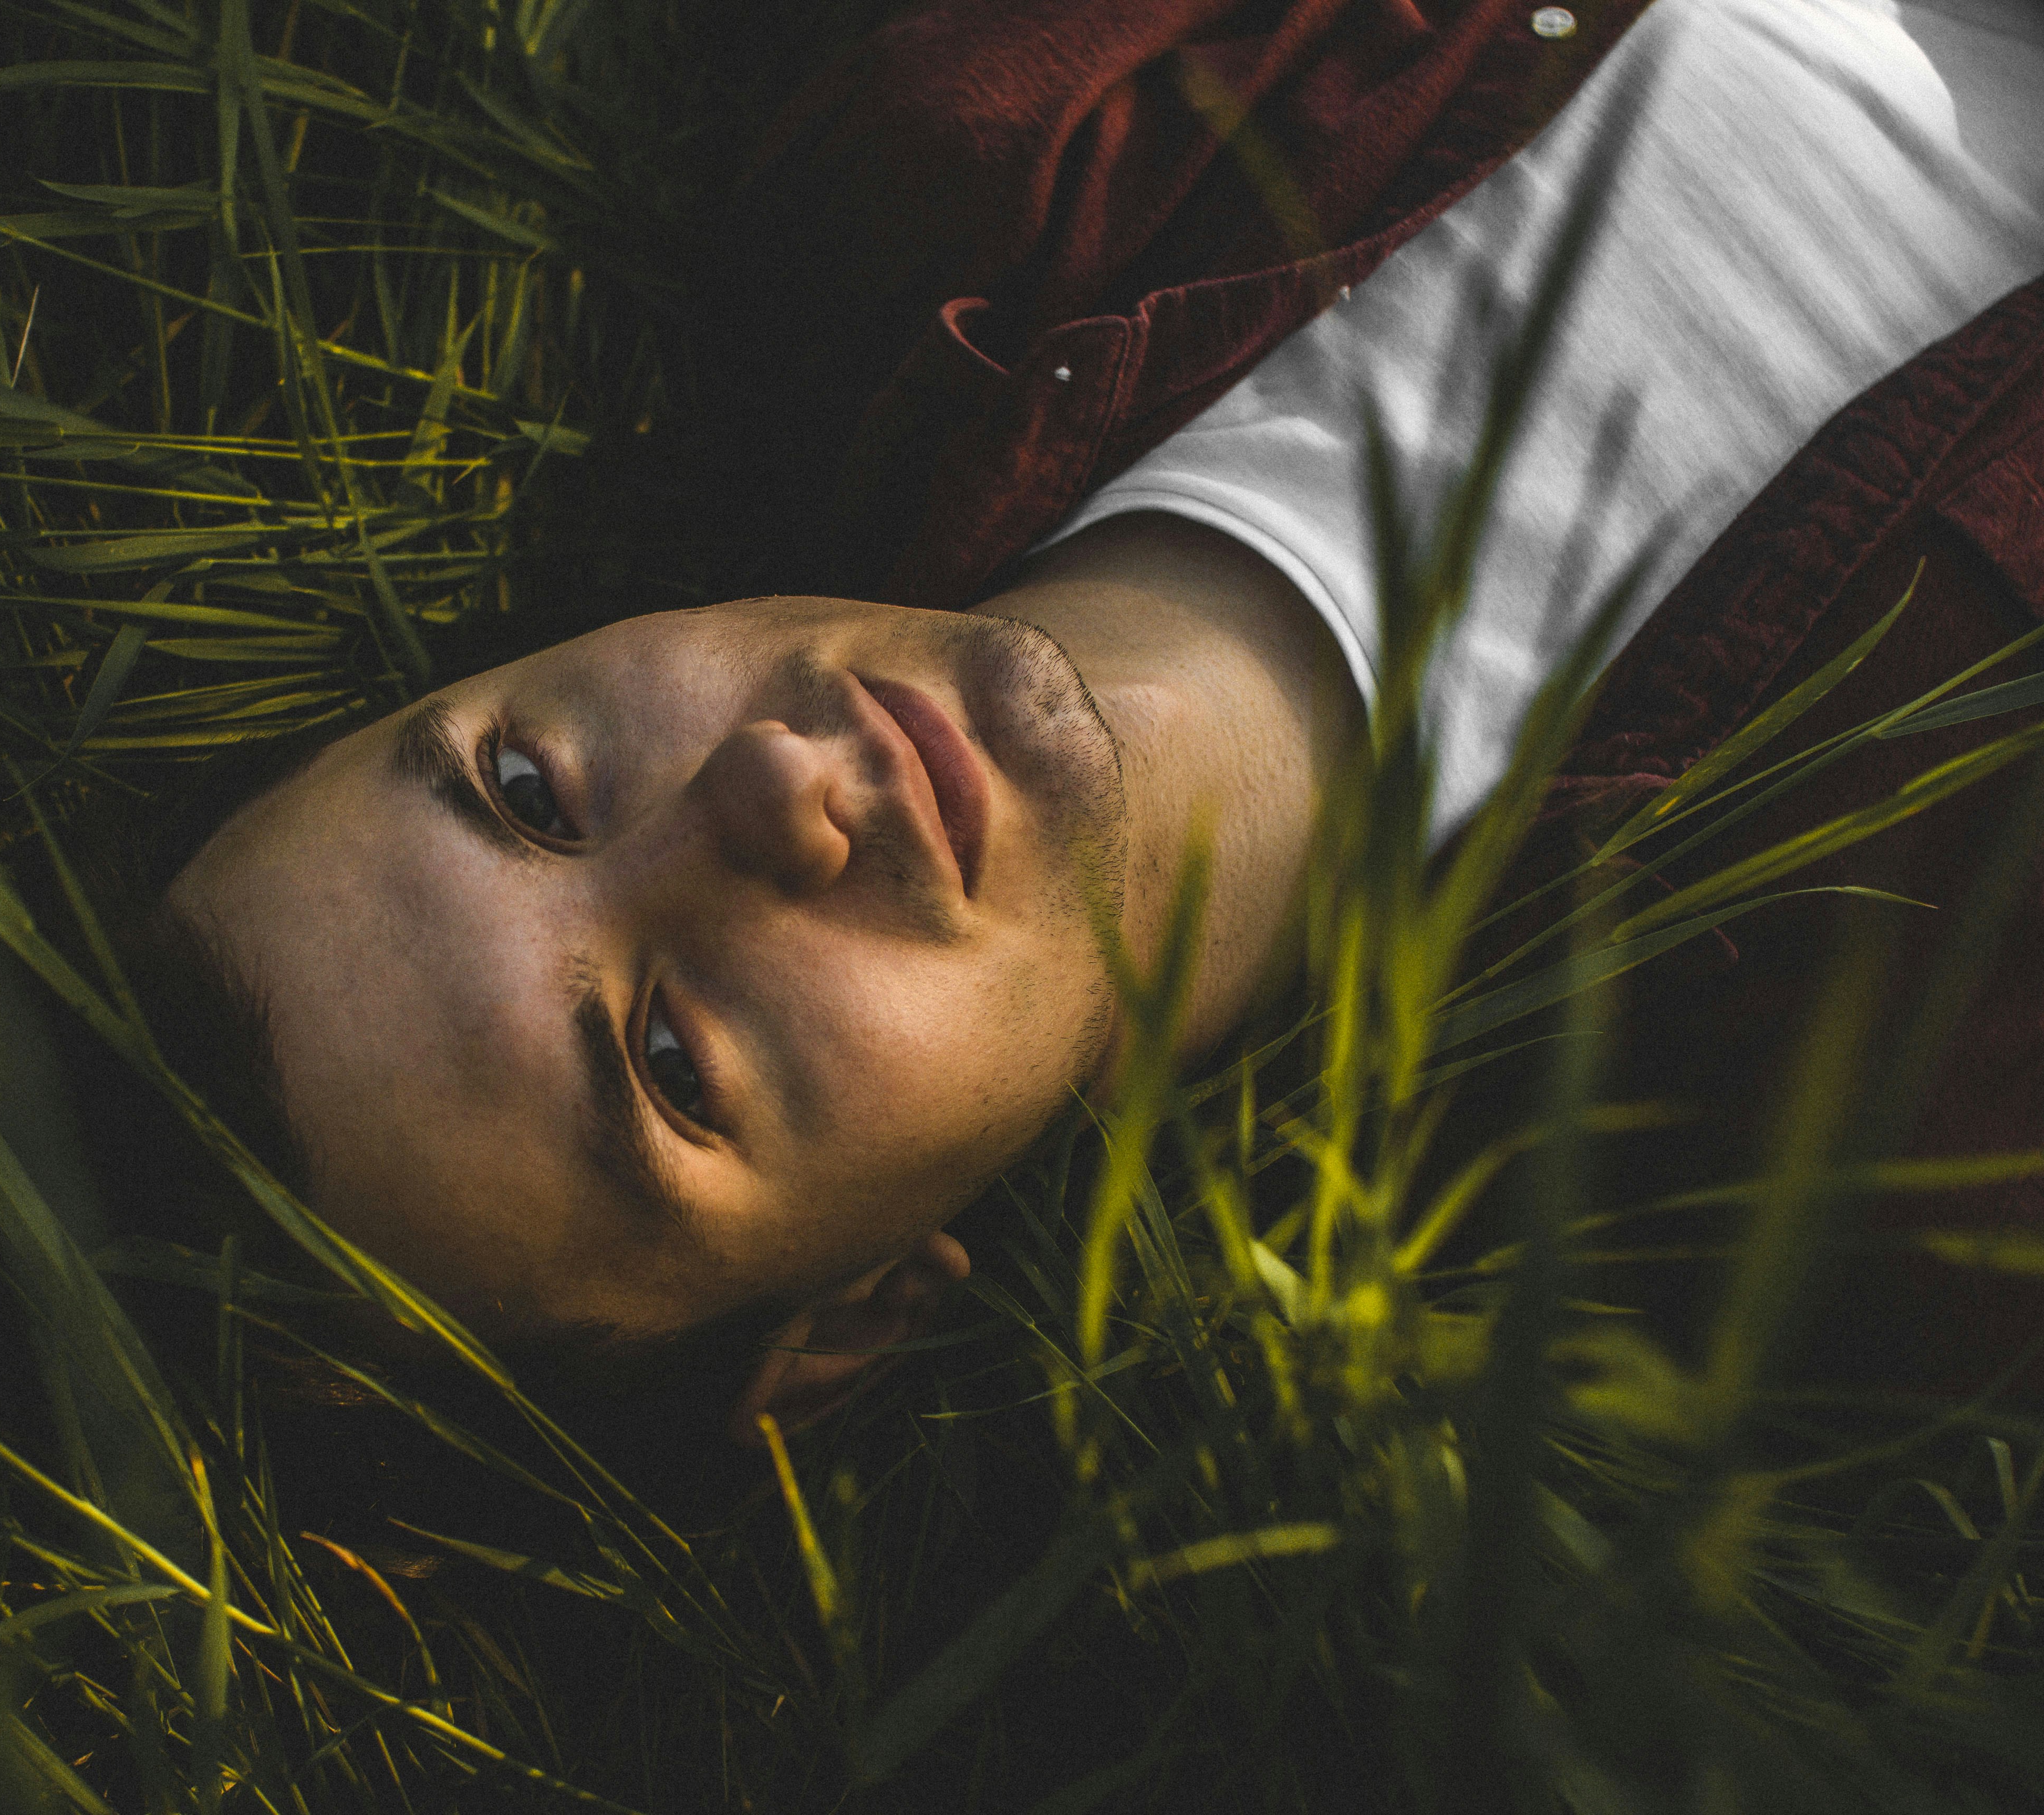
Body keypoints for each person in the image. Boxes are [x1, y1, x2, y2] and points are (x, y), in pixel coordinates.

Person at [145, 0, 2044, 1435]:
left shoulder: (961, 143)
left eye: (534, 784)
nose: (765, 786)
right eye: (670, 1062)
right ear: (860, 1313)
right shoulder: (1887, 1132)